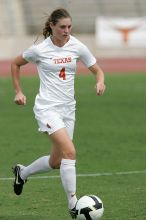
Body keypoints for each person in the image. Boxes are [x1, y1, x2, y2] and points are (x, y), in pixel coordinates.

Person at [11, 8, 106, 219]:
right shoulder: (40, 50)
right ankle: (73, 204)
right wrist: (18, 91)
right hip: (47, 109)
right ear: (52, 26)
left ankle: (22, 173)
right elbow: (16, 63)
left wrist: (100, 81)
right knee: (70, 153)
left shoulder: (77, 46)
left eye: (69, 27)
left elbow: (97, 69)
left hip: (68, 110)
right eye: (62, 27)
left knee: (57, 162)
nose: (66, 31)